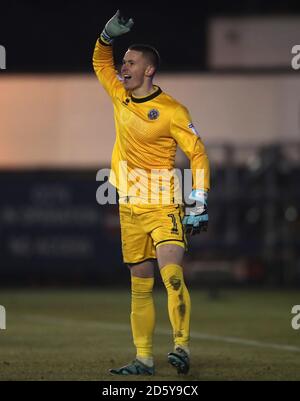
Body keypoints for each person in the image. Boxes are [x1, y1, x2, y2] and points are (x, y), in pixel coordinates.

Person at [93, 10, 210, 376]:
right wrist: (106, 36)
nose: (122, 67)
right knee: (140, 286)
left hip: (163, 204)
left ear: (149, 70)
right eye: (123, 62)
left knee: (172, 275)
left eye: (130, 62)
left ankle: (181, 348)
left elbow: (198, 153)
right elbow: (99, 61)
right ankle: (143, 358)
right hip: (128, 207)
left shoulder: (173, 110)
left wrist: (199, 198)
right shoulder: (119, 95)